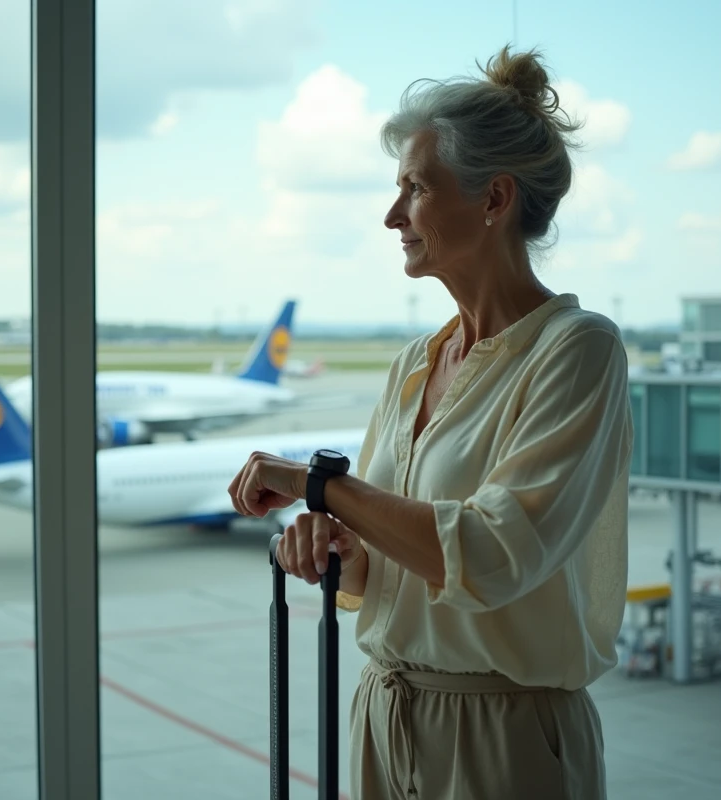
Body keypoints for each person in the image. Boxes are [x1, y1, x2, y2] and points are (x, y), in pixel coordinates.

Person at [227, 45, 633, 800]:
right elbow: (388, 561)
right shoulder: (418, 359)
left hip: (501, 736)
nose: (392, 215)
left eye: (414, 188)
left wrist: (317, 485)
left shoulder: (577, 350)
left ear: (493, 199)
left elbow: (490, 554)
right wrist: (334, 545)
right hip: (385, 712)